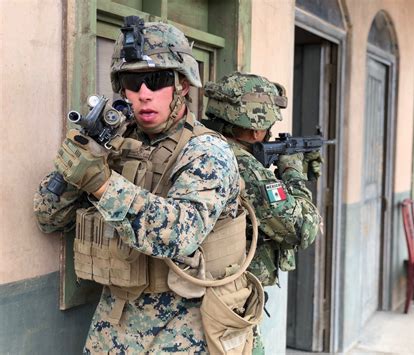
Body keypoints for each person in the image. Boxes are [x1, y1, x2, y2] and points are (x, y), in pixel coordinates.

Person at [33, 17, 259, 354]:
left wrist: (100, 183)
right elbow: (48, 218)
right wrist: (72, 171)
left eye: (156, 80)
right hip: (116, 321)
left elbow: (180, 235)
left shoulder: (207, 152)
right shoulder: (117, 142)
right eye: (132, 81)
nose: (143, 94)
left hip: (185, 327)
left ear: (182, 84)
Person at [203, 72, 324, 353]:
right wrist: (293, 173)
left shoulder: (204, 145)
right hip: (229, 300)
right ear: (258, 130)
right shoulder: (248, 169)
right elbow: (302, 228)